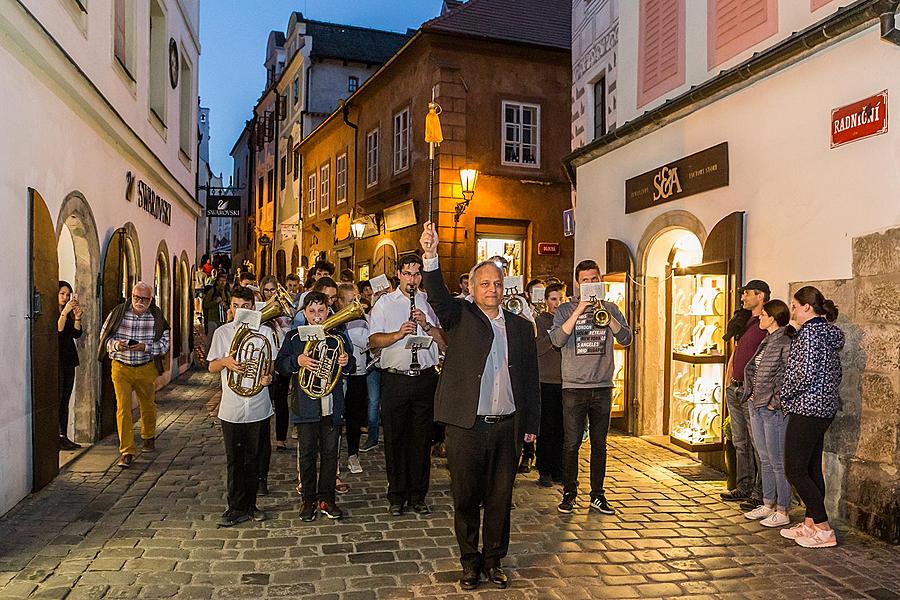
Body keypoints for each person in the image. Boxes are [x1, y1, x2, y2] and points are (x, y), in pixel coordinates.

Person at [420, 222, 540, 590]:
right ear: (471, 289)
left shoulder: (520, 327)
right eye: (484, 284)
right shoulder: (460, 316)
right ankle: (469, 561)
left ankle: (494, 560)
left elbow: (530, 380)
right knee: (467, 497)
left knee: (501, 498)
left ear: (505, 290)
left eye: (497, 284)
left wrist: (531, 424)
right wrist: (430, 255)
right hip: (466, 426)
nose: (492, 289)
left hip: (506, 425)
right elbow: (437, 296)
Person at [550, 260, 633, 515]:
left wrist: (610, 321)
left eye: (594, 279)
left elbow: (627, 338)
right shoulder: (565, 309)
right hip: (574, 387)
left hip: (602, 385)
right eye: (585, 280)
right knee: (571, 444)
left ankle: (597, 495)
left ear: (601, 281)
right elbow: (557, 339)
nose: (590, 284)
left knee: (600, 444)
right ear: (578, 283)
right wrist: (580, 310)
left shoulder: (611, 308)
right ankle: (569, 493)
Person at [369, 254, 446, 516]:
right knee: (395, 438)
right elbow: (373, 340)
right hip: (395, 378)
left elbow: (444, 341)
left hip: (424, 377)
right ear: (398, 274)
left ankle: (418, 495)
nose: (412, 279)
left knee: (421, 440)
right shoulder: (385, 304)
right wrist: (398, 334)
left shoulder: (430, 302)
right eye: (407, 273)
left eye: (416, 274)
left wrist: (426, 324)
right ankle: (396, 495)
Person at [276, 291, 352, 521]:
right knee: (307, 455)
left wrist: (346, 361)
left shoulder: (338, 336)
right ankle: (308, 500)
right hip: (306, 406)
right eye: (312, 312)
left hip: (331, 407)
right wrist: (296, 361)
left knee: (331, 455)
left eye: (321, 311)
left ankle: (327, 499)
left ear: (328, 311)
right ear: (305, 314)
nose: (317, 317)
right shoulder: (294, 337)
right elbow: (280, 365)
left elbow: (352, 367)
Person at [779, 286, 843, 548]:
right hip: (823, 407)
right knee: (811, 467)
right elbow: (834, 373)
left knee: (794, 468)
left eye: (794, 306)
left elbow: (803, 374)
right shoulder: (825, 333)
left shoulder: (809, 335)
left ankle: (824, 528)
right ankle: (809, 525)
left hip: (806, 408)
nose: (793, 311)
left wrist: (785, 395)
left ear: (807, 307)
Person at [206, 286, 275, 526]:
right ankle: (235, 506)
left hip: (258, 404)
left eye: (246, 307)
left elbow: (270, 368)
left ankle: (252, 504)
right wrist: (225, 361)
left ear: (253, 308)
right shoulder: (223, 333)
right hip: (232, 406)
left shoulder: (265, 331)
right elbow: (211, 366)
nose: (240, 311)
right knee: (234, 459)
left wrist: (268, 378)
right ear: (230, 308)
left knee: (254, 458)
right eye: (236, 306)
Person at [98, 282, 170, 468]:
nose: (139, 302)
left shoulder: (156, 317)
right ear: (131, 295)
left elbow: (164, 344)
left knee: (148, 405)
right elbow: (104, 337)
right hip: (121, 367)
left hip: (145, 366)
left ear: (150, 300)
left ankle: (148, 436)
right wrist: (117, 345)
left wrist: (145, 347)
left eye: (144, 299)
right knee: (123, 408)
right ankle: (127, 451)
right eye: (136, 297)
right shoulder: (118, 313)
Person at [740, 299, 793, 528]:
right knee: (764, 459)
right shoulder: (767, 340)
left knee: (778, 460)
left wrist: (775, 402)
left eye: (762, 315)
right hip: (756, 404)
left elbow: (788, 374)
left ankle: (783, 509)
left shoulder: (784, 340)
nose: (759, 318)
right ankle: (768, 503)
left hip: (772, 410)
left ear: (772, 317)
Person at [720, 280, 770, 511]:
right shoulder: (745, 320)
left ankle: (761, 493)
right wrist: (729, 375)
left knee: (757, 442)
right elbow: (739, 350)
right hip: (735, 386)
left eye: (747, 294)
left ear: (761, 296)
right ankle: (744, 485)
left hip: (751, 391)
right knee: (740, 440)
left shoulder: (767, 323)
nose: (743, 298)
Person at [258, 276, 293, 493]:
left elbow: (287, 333)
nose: (270, 294)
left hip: (280, 361)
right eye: (267, 290)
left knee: (281, 402)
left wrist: (280, 322)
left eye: (273, 290)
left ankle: (280, 438)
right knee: (264, 406)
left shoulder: (284, 312)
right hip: (263, 364)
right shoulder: (258, 311)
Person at [535, 282, 566, 487]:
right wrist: (555, 333)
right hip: (546, 380)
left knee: (564, 429)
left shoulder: (569, 320)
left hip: (566, 380)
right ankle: (544, 470)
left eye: (561, 298)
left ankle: (560, 470)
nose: (557, 303)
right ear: (546, 301)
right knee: (546, 428)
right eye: (553, 299)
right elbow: (538, 348)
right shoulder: (540, 321)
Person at [337, 284, 369, 474]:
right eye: (350, 301)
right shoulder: (334, 320)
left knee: (354, 417)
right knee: (336, 418)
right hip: (339, 375)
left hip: (358, 372)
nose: (355, 304)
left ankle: (353, 455)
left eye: (356, 299)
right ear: (340, 302)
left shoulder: (363, 319)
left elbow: (368, 340)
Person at [57, 281, 83, 451]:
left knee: (65, 399)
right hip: (56, 361)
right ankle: (58, 437)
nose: (65, 297)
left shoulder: (67, 313)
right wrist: (65, 313)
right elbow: (57, 330)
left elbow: (76, 333)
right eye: (62, 294)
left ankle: (64, 436)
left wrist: (77, 317)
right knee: (58, 399)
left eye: (68, 294)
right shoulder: (56, 313)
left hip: (69, 359)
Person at [203, 272, 230, 339]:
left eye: (224, 281)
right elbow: (206, 305)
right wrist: (215, 302)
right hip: (212, 319)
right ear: (217, 282)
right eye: (220, 281)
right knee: (211, 340)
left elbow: (229, 307)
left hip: (223, 320)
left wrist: (224, 305)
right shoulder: (212, 291)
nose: (222, 283)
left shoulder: (227, 293)